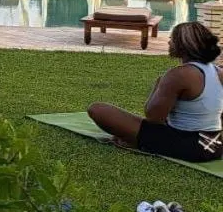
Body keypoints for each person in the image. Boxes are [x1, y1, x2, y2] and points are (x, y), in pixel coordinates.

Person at [87, 21, 222, 162]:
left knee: (98, 109)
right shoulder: (218, 72)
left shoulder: (179, 75)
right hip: (215, 146)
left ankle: (137, 143)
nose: (169, 42)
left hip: (191, 147)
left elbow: (153, 118)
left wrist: (158, 84)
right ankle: (140, 141)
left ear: (182, 46)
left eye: (172, 39)